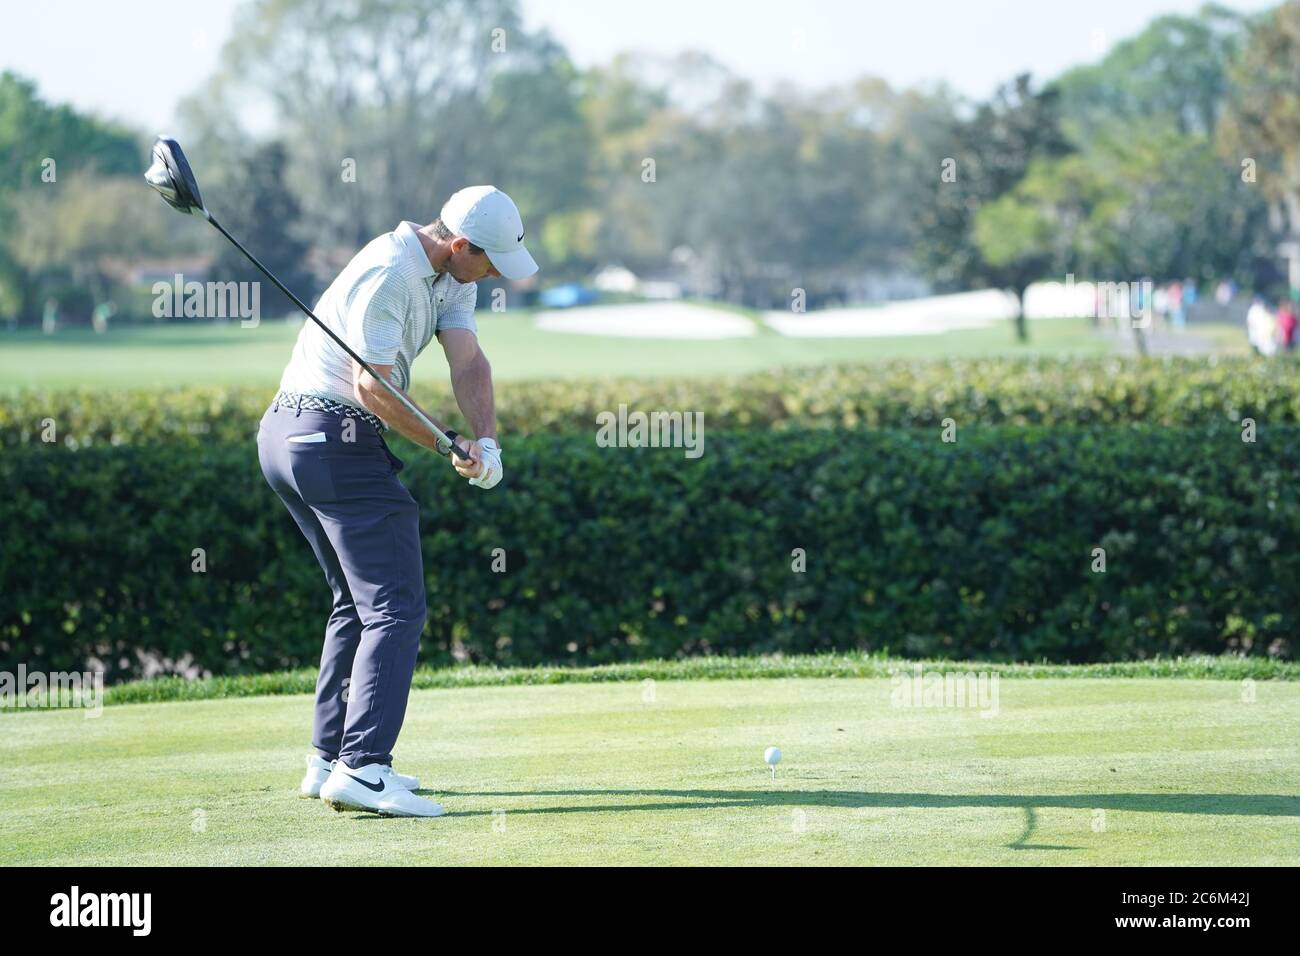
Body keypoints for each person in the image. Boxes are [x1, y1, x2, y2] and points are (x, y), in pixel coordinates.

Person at [256, 187, 537, 817]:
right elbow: (372, 386)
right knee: (396, 603)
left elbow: (468, 360)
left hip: (292, 438)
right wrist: (449, 446)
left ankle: (329, 759)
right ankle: (363, 767)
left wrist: (486, 440)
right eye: (489, 261)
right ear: (461, 244)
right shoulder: (389, 272)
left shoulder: (451, 275)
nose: (493, 275)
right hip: (330, 435)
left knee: (355, 604)